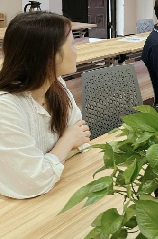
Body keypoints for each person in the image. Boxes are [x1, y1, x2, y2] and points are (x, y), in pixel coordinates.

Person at [0, 12, 91, 199]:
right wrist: (66, 141)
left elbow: (81, 137)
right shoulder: (6, 107)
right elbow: (31, 182)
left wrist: (51, 158)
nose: (77, 51)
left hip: (56, 189)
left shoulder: (56, 85)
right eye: (72, 44)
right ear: (51, 56)